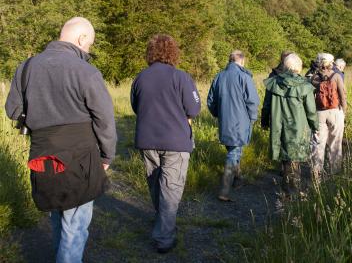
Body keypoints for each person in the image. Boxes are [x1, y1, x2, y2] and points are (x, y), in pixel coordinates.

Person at [5, 17, 116, 263]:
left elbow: (12, 110)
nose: (88, 51)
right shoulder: (85, 71)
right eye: (89, 45)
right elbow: (105, 119)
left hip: (42, 154)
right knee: (74, 226)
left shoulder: (26, 67)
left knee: (59, 215)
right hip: (80, 157)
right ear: (81, 39)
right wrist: (107, 155)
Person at [131, 34, 201, 254]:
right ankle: (164, 237)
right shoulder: (181, 77)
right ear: (173, 53)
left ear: (150, 53)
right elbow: (194, 109)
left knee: (155, 183)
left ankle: (163, 222)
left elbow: (135, 106)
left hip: (147, 139)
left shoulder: (140, 78)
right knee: (171, 188)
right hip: (175, 141)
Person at [207, 50, 260, 202]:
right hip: (240, 121)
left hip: (225, 121)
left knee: (234, 149)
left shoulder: (219, 76)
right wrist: (252, 118)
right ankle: (224, 190)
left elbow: (211, 101)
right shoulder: (244, 77)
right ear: (242, 61)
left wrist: (219, 114)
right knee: (233, 152)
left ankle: (238, 179)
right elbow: (252, 101)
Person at [262, 53, 318, 196]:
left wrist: (264, 123)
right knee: (295, 157)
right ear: (298, 67)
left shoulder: (273, 82)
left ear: (286, 66)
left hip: (278, 125)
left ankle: (288, 189)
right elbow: (311, 110)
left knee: (286, 157)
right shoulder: (305, 86)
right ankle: (292, 190)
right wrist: (315, 126)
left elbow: (266, 106)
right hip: (298, 127)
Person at [308, 53, 347, 179]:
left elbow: (308, 91)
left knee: (318, 143)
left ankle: (316, 172)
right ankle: (334, 173)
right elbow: (342, 95)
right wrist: (343, 112)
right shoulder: (336, 76)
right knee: (335, 142)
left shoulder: (314, 77)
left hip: (319, 112)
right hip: (335, 111)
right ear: (331, 63)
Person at [261, 50, 293, 129]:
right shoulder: (296, 76)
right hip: (293, 116)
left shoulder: (273, 75)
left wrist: (264, 122)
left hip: (275, 115)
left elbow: (267, 101)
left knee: (276, 140)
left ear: (281, 59)